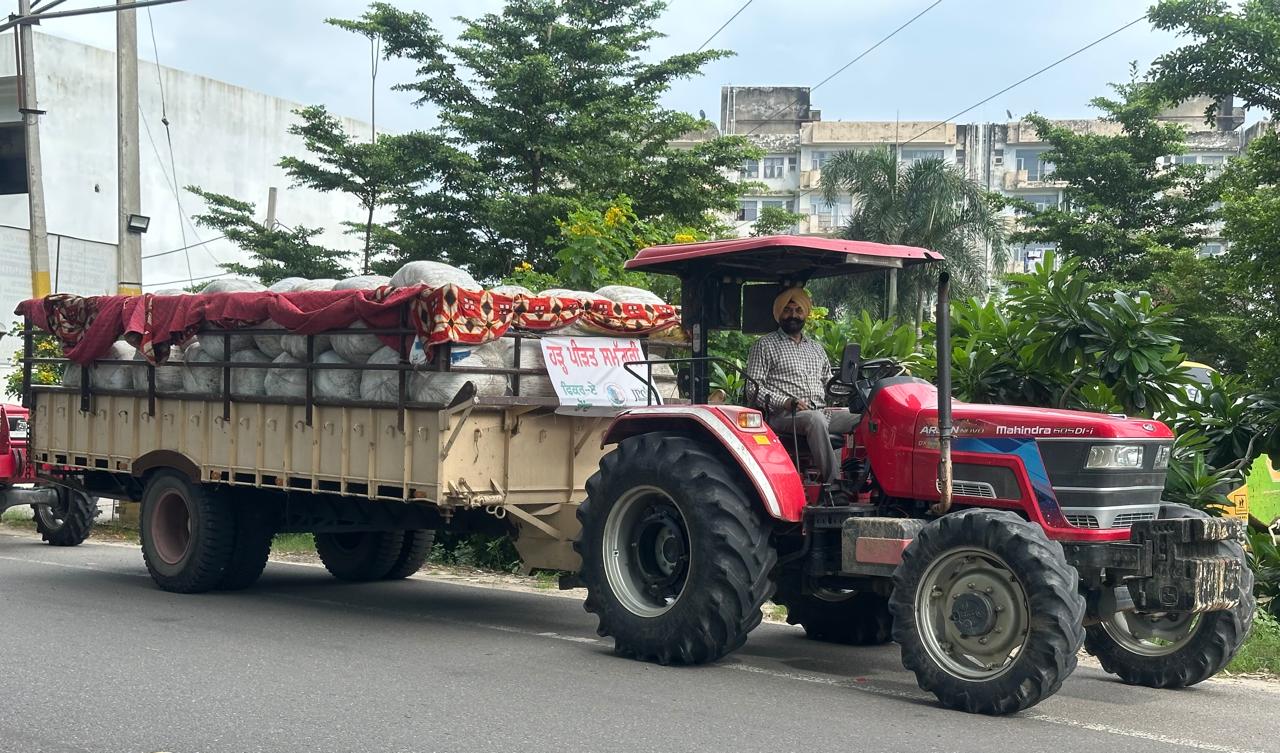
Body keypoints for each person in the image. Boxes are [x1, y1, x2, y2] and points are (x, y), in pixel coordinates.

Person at [745, 286, 859, 484]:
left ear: (805, 314)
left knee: (867, 419)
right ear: (779, 314)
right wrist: (787, 402)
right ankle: (833, 483)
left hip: (822, 412)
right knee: (815, 420)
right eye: (788, 310)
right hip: (783, 416)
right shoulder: (764, 345)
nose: (793, 316)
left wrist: (860, 390)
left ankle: (864, 480)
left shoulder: (816, 348)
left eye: (798, 311)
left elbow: (829, 383)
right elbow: (753, 389)